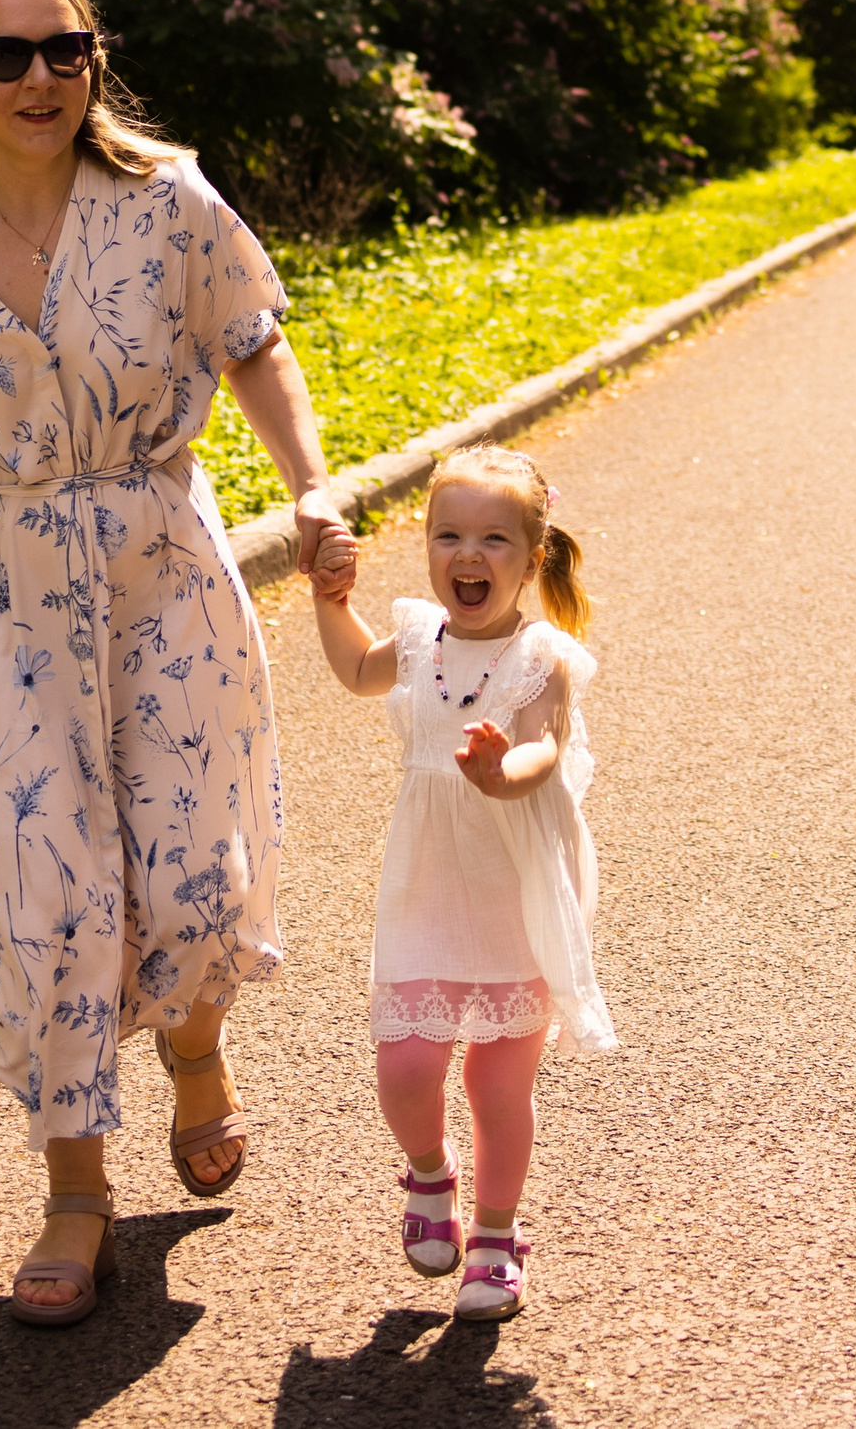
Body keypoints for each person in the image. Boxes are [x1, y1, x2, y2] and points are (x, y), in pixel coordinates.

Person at [0, 0, 346, 1327]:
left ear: (92, 63)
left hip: (163, 562)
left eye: (66, 49)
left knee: (189, 863)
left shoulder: (167, 200)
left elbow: (253, 338)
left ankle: (198, 1053)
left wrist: (310, 484)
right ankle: (76, 1187)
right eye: (7, 54)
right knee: (39, 890)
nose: (40, 77)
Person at [306, 445, 617, 1321]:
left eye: (492, 540)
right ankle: (430, 1172)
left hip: (514, 885)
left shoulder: (540, 657)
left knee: (495, 1081)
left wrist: (500, 769)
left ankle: (494, 1232)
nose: (467, 556)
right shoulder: (414, 641)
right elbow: (354, 669)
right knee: (406, 1063)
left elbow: (546, 750)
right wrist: (333, 604)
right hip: (430, 886)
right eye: (448, 535)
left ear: (530, 556)